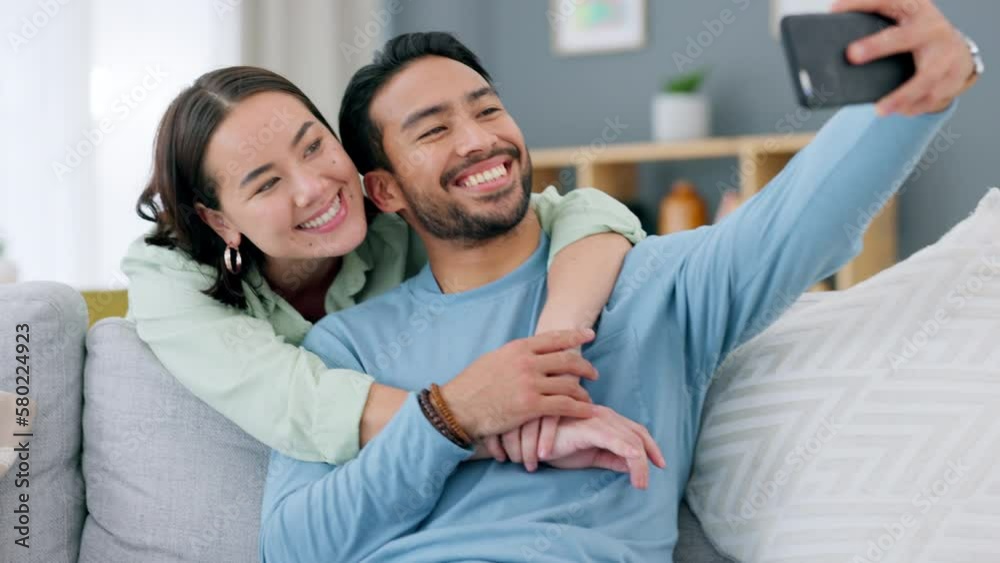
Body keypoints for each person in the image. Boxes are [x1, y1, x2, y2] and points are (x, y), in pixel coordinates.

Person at [259, 0, 982, 559]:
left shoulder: (653, 286)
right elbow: (292, 546)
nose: (480, 139)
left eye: (487, 110)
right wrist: (452, 416)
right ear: (385, 192)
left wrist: (928, 85)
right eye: (434, 130)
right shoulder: (347, 346)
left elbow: (806, 219)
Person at [123, 66, 649, 468]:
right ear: (218, 219)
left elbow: (577, 211)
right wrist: (494, 426)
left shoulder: (398, 219)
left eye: (314, 147)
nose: (313, 188)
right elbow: (301, 403)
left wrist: (554, 345)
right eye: (266, 183)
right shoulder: (170, 277)